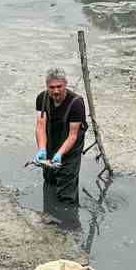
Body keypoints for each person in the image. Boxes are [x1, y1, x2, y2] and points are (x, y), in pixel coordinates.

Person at [35, 68, 88, 208]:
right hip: (51, 140)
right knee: (50, 179)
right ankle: (50, 212)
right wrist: (42, 148)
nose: (56, 91)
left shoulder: (76, 103)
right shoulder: (42, 98)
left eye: (59, 86)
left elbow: (73, 136)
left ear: (65, 84)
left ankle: (69, 220)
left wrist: (59, 154)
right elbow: (40, 126)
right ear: (47, 87)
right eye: (52, 87)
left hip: (71, 145)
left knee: (66, 184)